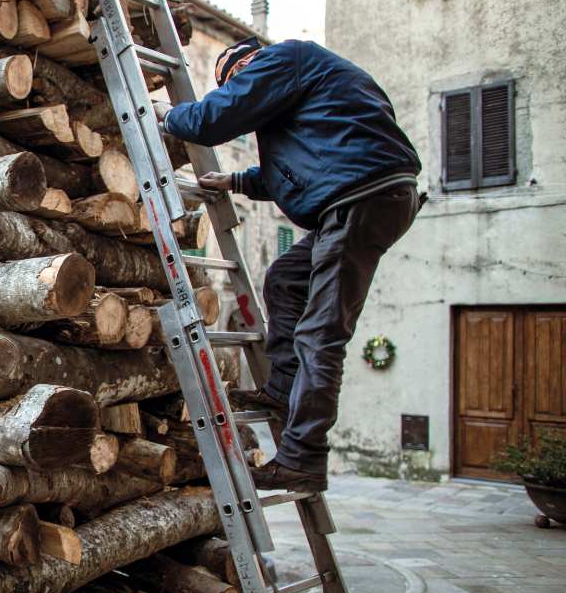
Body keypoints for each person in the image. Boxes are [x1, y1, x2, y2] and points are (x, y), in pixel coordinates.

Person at [156, 37, 422, 493]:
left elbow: (210, 120)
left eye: (236, 81)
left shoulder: (283, 58)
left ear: (245, 63)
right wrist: (238, 180)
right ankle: (281, 389)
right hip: (359, 197)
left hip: (360, 199)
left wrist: (164, 115)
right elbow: (299, 165)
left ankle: (302, 458)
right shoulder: (305, 93)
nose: (239, 89)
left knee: (321, 334)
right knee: (285, 280)